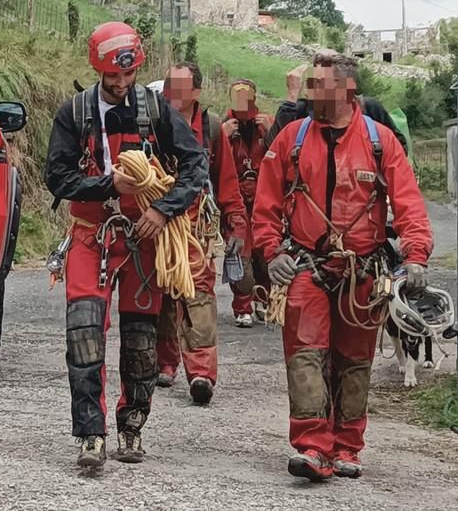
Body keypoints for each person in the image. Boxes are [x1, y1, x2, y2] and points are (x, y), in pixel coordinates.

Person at [253, 50, 433, 481]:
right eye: (311, 85)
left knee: (354, 360)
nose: (312, 93)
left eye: (321, 85)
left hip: (362, 272)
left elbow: (408, 202)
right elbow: (266, 201)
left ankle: (348, 445)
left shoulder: (379, 141)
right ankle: (314, 447)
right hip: (305, 265)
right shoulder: (292, 138)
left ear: (347, 90)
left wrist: (416, 255)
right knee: (305, 356)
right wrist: (272, 251)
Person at [46, 22, 208, 469]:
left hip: (143, 237)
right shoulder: (75, 112)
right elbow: (57, 178)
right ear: (97, 70)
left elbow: (195, 165)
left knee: (140, 341)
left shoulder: (156, 110)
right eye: (112, 76)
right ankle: (90, 435)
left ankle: (131, 427)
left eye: (129, 74)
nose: (121, 84)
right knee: (84, 335)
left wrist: (164, 210)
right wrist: (107, 185)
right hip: (91, 235)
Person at [154, 63, 248, 405]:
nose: (173, 93)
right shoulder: (151, 124)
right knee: (162, 296)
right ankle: (165, 363)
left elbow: (227, 182)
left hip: (196, 230)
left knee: (199, 297)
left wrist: (236, 224)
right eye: (169, 86)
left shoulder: (211, 129)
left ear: (196, 91)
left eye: (181, 87)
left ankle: (202, 374)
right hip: (158, 224)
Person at [267, 55, 409, 155]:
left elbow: (399, 150)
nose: (309, 92)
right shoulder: (305, 111)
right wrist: (292, 95)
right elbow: (274, 148)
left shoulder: (370, 108)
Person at [222, 78, 275, 328]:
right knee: (239, 253)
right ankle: (242, 307)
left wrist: (272, 134)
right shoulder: (222, 128)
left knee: (265, 253)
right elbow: (208, 160)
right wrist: (223, 138)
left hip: (264, 199)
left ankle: (263, 300)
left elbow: (284, 159)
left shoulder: (267, 125)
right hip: (235, 199)